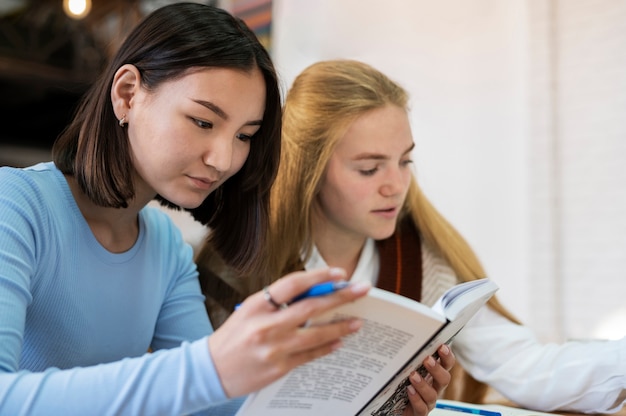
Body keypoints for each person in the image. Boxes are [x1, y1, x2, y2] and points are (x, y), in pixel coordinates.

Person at [0, 4, 375, 415]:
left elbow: (214, 407)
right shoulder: (14, 205)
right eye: (202, 122)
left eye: (245, 136)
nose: (223, 158)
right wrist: (209, 367)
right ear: (127, 95)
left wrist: (372, 402)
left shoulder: (165, 248)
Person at [197, 59, 626, 414]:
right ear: (307, 171)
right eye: (369, 168)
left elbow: (523, 365)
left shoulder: (418, 255)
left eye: (405, 161)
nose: (395, 185)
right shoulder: (235, 264)